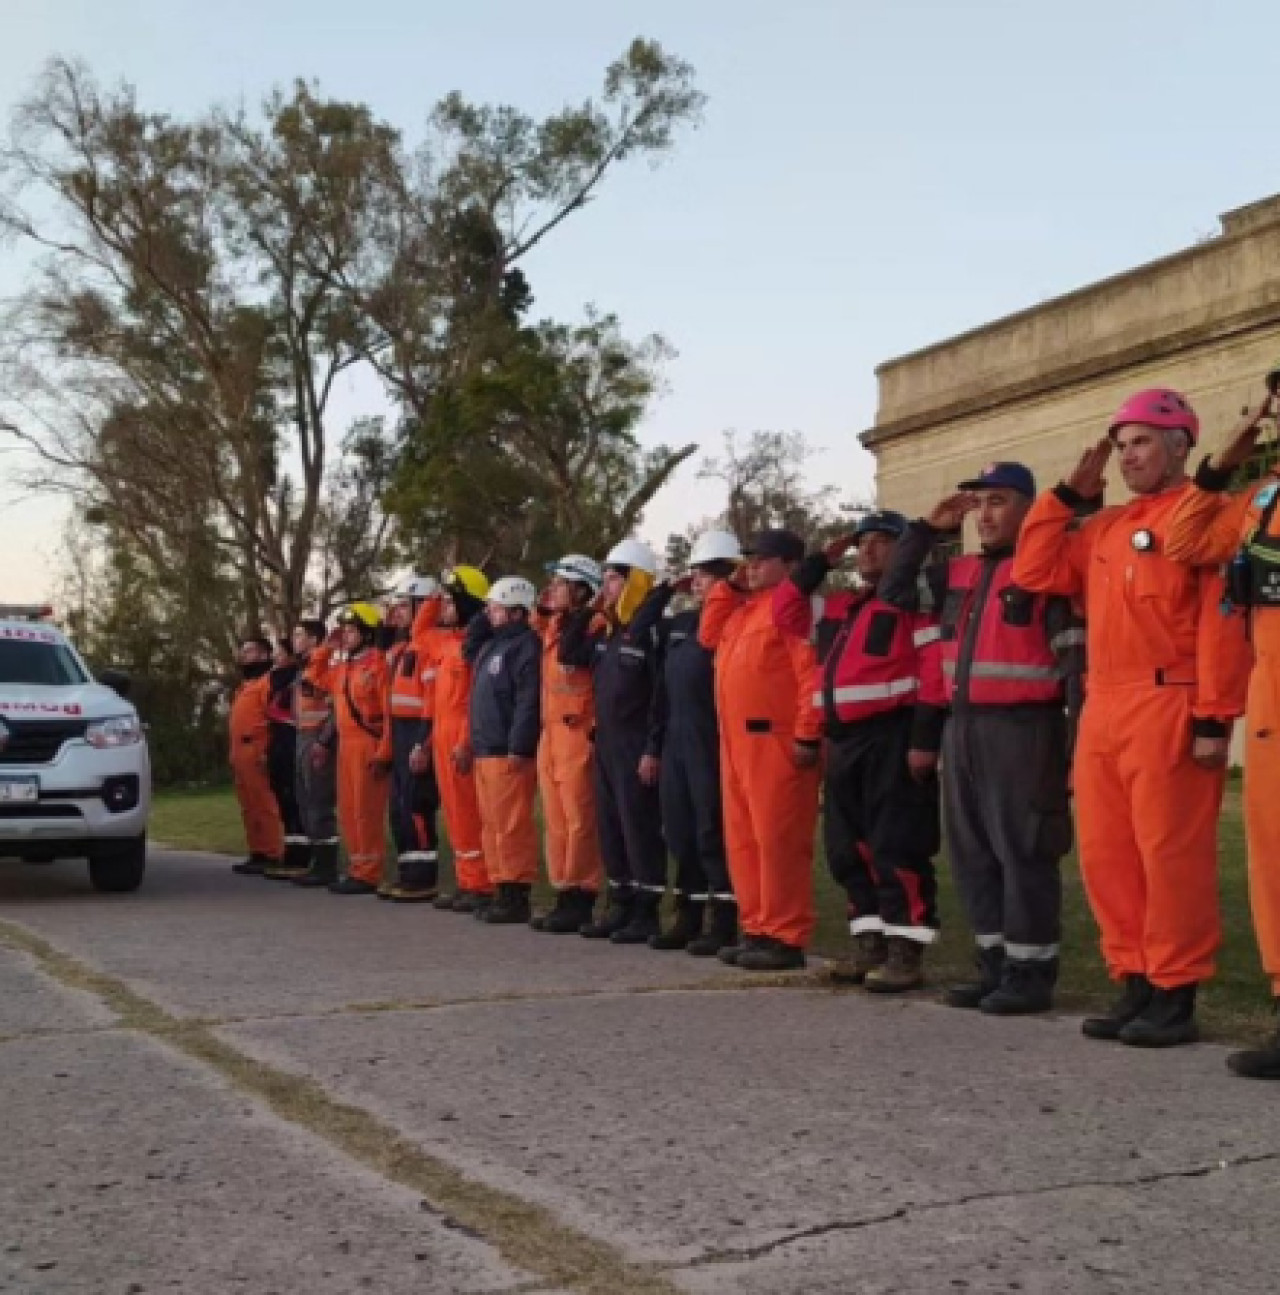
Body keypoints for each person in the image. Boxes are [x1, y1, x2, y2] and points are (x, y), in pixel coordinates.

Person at [1013, 389, 1250, 1046]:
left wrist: (1212, 717)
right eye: (1121, 446)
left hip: (1168, 698)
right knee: (1107, 854)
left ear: (1181, 445)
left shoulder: (1203, 520)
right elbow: (1034, 571)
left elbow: (1219, 622)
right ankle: (1134, 979)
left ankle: (1175, 991)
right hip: (1104, 704)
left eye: (1142, 441)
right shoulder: (1106, 528)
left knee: (1168, 854)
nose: (1127, 456)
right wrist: (1064, 494)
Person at [882, 466, 1082, 1013]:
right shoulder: (960, 572)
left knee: (1024, 851)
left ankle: (1031, 971)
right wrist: (926, 529)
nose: (986, 514)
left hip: (1024, 730)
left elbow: (1075, 665)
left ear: (1027, 509)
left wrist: (1077, 747)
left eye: (998, 501)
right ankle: (994, 965)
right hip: (962, 728)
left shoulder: (1044, 572)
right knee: (973, 855)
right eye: (980, 503)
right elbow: (895, 590)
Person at [775, 511, 943, 992]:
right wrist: (823, 558)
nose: (867, 550)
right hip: (843, 742)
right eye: (862, 543)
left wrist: (924, 739)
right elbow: (785, 610)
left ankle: (905, 951)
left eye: (881, 542)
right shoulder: (840, 609)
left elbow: (933, 670)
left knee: (896, 843)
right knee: (847, 849)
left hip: (892, 735)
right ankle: (868, 943)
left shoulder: (912, 604)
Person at [1166, 391, 1280, 1078]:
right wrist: (1222, 465)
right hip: (1270, 703)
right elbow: (1185, 542)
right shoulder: (1261, 500)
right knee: (1270, 860)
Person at [699, 528, 822, 971]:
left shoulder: (790, 610)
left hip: (776, 741)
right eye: (747, 558)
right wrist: (730, 584)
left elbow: (810, 675)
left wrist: (809, 732)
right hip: (736, 744)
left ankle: (785, 935)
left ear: (790, 566)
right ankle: (757, 927)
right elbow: (707, 633)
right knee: (744, 842)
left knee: (778, 841)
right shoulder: (742, 611)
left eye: (761, 559)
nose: (750, 566)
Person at [629, 530, 740, 955]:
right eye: (694, 572)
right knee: (679, 832)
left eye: (708, 573)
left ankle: (724, 919)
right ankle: (688, 914)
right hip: (675, 737)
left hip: (711, 738)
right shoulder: (680, 625)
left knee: (711, 828)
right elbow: (640, 636)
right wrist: (662, 591)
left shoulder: (733, 621)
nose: (697, 580)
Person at [564, 538, 668, 944]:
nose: (605, 587)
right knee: (611, 828)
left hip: (636, 743)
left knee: (638, 827)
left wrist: (652, 748)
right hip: (606, 742)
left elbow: (661, 696)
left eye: (612, 580)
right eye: (604, 580)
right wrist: (592, 608)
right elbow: (570, 652)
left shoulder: (651, 629)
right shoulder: (607, 629)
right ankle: (621, 902)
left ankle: (647, 909)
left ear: (635, 582)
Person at [408, 566, 494, 914]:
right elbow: (419, 631)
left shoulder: (476, 647)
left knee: (470, 813)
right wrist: (433, 595)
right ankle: (466, 881)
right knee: (454, 815)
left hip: (461, 735)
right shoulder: (445, 643)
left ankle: (482, 884)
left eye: (450, 600)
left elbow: (475, 699)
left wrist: (465, 743)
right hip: (441, 734)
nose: (444, 607)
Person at [530, 555, 606, 934]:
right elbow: (535, 618)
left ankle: (582, 894)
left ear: (580, 589)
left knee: (580, 821)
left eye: (560, 583)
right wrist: (547, 605)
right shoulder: (554, 626)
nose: (552, 590)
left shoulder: (593, 625)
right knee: (557, 822)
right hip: (551, 734)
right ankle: (563, 890)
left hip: (577, 732)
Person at [466, 576, 542, 924]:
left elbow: (527, 700)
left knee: (511, 824)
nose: (489, 614)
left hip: (507, 749)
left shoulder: (525, 646)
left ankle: (516, 892)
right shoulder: (491, 646)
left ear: (516, 612)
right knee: (492, 825)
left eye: (496, 609)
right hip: (486, 747)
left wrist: (519, 744)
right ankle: (500, 884)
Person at [304, 603, 393, 895]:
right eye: (345, 631)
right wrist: (326, 648)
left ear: (367, 634)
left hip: (368, 745)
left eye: (352, 631)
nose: (347, 636)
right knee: (349, 810)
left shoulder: (378, 665)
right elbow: (314, 679)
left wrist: (384, 752)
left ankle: (369, 872)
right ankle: (357, 867)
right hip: (346, 746)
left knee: (367, 811)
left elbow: (389, 714)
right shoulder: (344, 667)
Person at [379, 576, 443, 901]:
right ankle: (407, 871)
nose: (398, 612)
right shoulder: (402, 648)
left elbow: (432, 700)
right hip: (401, 732)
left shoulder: (427, 648)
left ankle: (422, 877)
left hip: (419, 730)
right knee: (399, 807)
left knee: (418, 805)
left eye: (405, 605)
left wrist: (424, 742)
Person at [287, 619, 343, 890]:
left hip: (318, 738)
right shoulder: (305, 668)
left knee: (319, 801)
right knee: (304, 799)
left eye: (299, 635)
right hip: (302, 736)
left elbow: (336, 708)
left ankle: (327, 864)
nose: (294, 639)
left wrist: (324, 740)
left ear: (314, 639)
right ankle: (316, 861)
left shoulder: (325, 667)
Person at [228, 637, 285, 876]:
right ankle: (258, 850)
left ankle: (273, 851)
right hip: (239, 751)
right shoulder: (244, 687)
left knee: (264, 804)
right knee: (248, 805)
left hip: (256, 748)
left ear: (264, 655)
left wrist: (266, 751)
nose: (244, 656)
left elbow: (273, 719)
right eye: (243, 651)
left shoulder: (267, 683)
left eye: (249, 651)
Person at [261, 639, 310, 881]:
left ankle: (301, 855)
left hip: (292, 741)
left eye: (281, 653)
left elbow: (295, 714)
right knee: (283, 799)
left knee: (295, 799)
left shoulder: (295, 681)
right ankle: (291, 852)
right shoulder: (277, 681)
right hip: (278, 742)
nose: (276, 658)